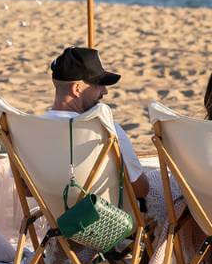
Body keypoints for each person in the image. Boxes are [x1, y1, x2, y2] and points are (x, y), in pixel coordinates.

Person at [45, 46, 150, 199]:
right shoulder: (105, 129)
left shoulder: (30, 129)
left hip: (52, 216)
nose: (105, 91)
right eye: (98, 84)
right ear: (77, 88)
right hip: (107, 218)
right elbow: (141, 191)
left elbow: (27, 191)